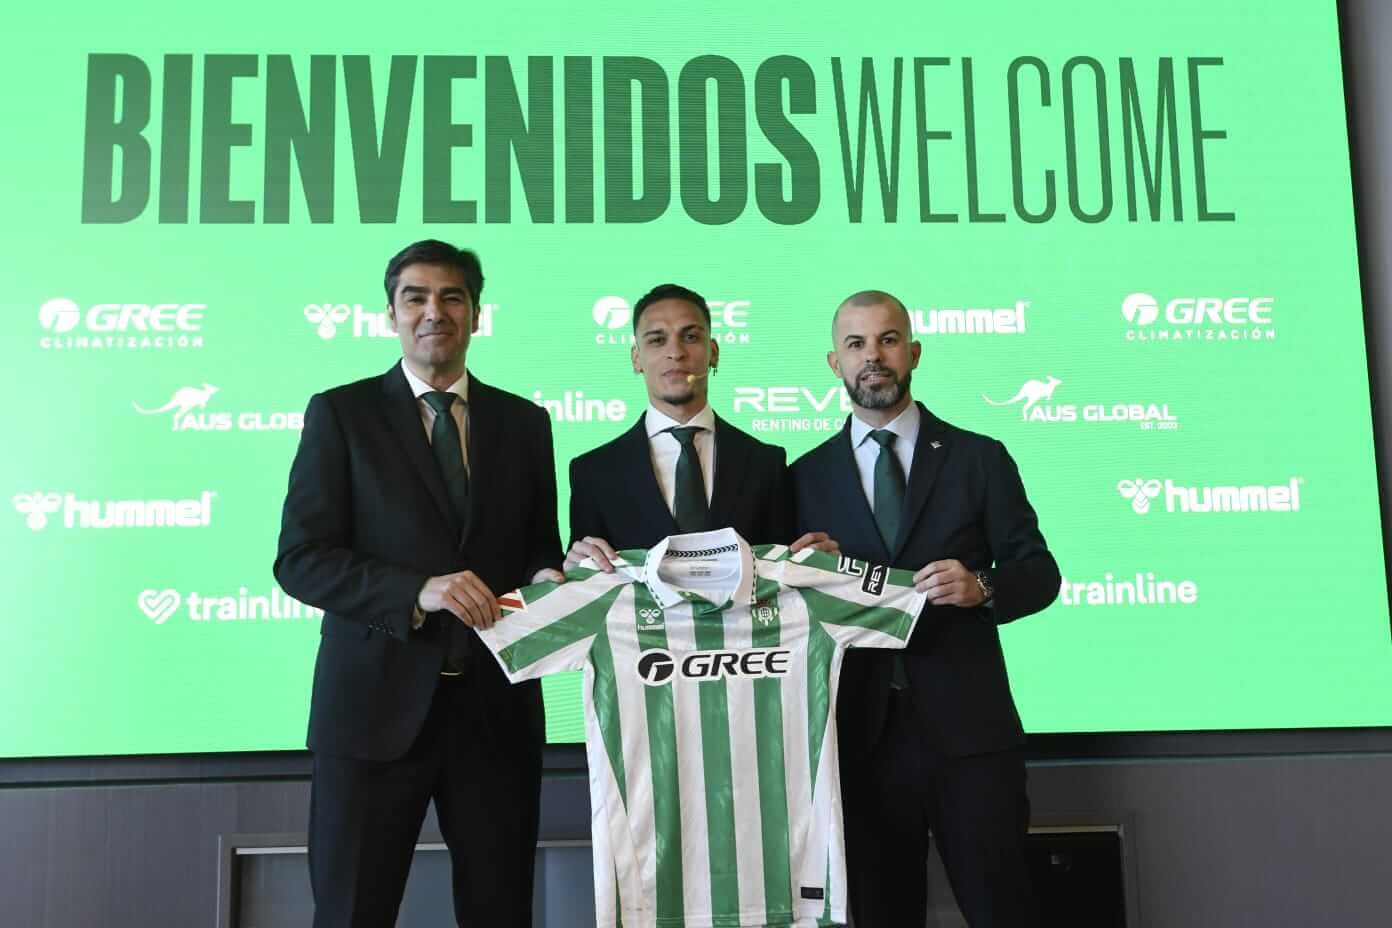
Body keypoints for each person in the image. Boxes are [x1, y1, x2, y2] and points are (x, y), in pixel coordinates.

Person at [274, 240, 562, 928]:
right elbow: (301, 559)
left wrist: (555, 579)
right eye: (417, 297)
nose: (435, 311)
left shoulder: (525, 423)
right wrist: (417, 590)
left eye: (452, 297)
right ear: (391, 314)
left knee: (500, 914)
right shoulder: (341, 414)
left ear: (477, 314)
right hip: (371, 716)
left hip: (495, 719)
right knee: (352, 913)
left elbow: (536, 554)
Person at [790, 290, 1061, 927]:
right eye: (856, 344)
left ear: (913, 352)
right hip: (859, 741)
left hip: (971, 738)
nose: (873, 357)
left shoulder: (979, 458)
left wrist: (984, 587)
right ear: (834, 362)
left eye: (887, 340)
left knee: (1005, 911)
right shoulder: (800, 478)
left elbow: (1041, 574)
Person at [565, 283, 811, 569]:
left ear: (714, 351)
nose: (676, 352)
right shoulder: (593, 472)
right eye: (657, 340)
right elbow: (584, 587)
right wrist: (575, 566)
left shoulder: (766, 463)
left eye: (691, 337)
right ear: (636, 358)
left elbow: (784, 574)